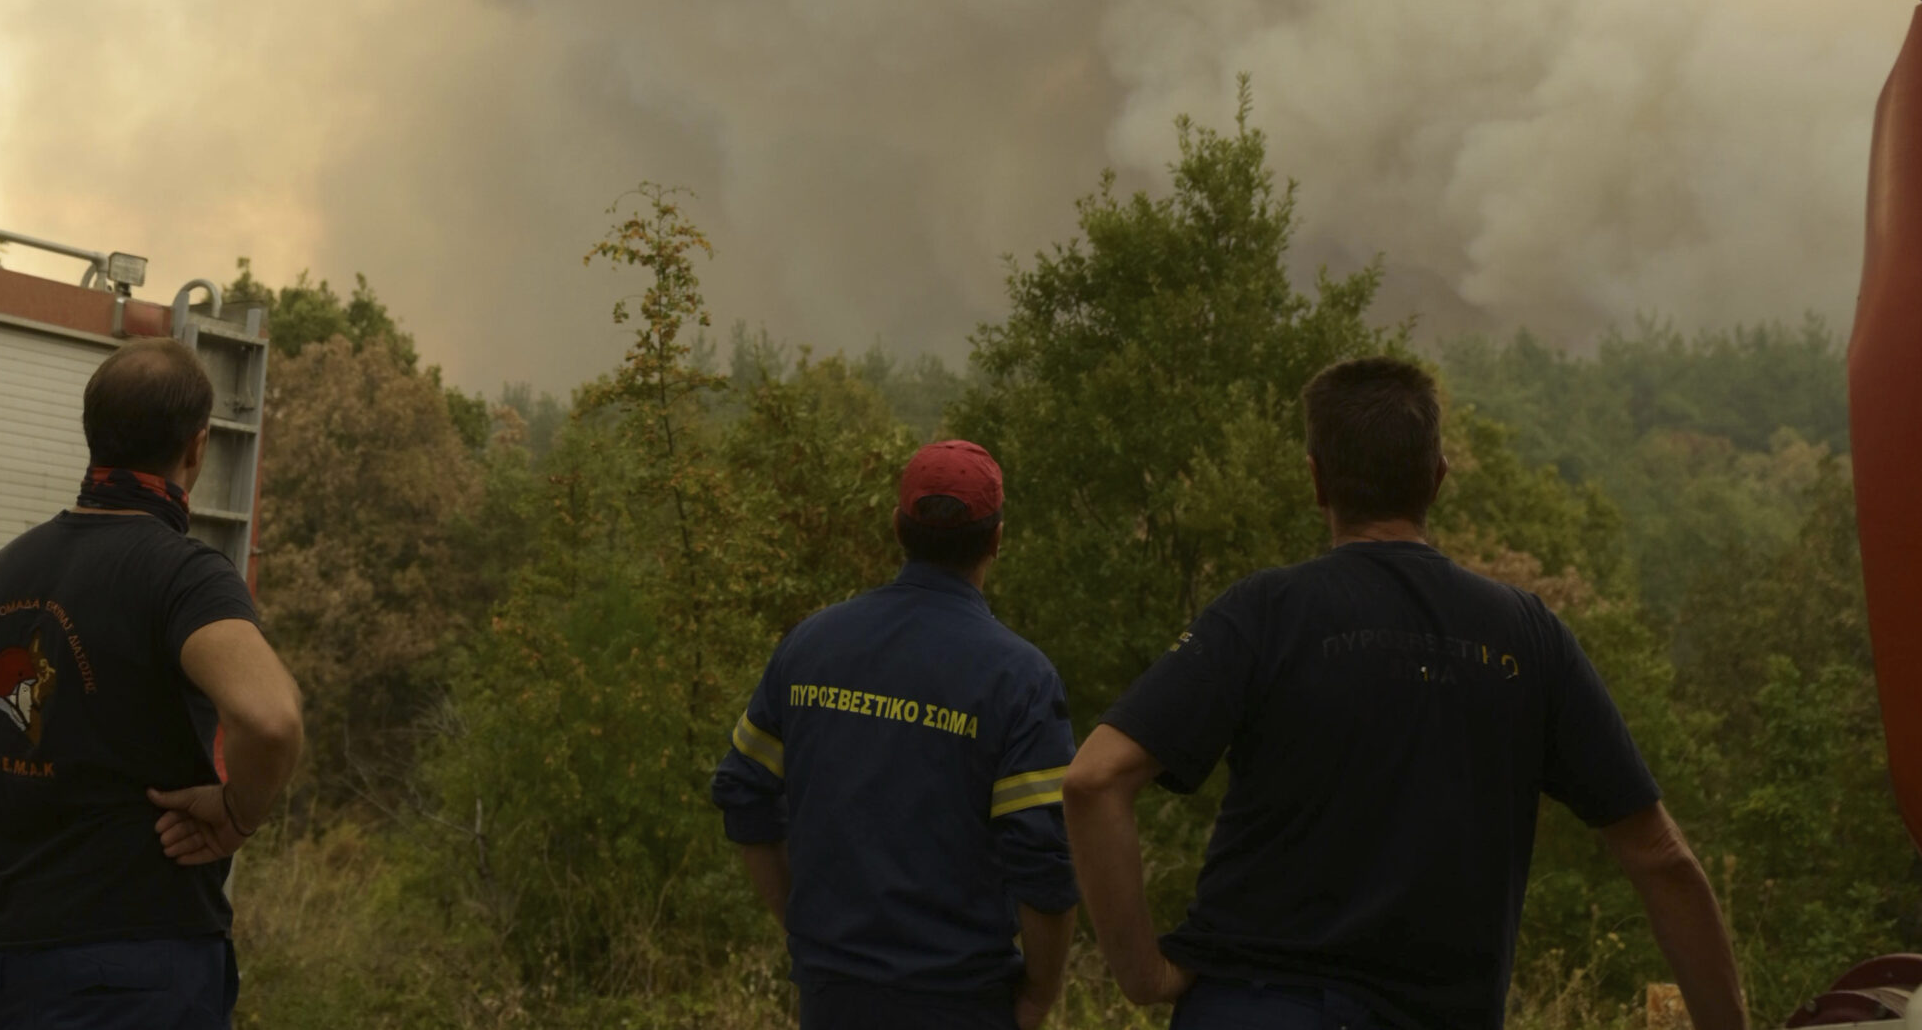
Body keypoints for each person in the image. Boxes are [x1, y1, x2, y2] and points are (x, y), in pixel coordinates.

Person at [1064, 356, 1746, 1030]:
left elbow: (1095, 779)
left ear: (1316, 479)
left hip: (1254, 1005)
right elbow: (1660, 857)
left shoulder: (1264, 612)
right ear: (1438, 478)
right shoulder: (1530, 637)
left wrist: (1142, 973)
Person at [0, 337, 306, 1030]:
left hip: (10, 965)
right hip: (142, 968)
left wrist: (10, 922)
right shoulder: (183, 576)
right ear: (196, 448)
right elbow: (273, 718)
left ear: (92, 434)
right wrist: (237, 813)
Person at [711, 440, 1079, 1030]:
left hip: (831, 999)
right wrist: (1038, 994)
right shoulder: (1020, 678)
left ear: (897, 527)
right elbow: (1046, 860)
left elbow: (743, 791)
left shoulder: (811, 644)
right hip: (963, 1000)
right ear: (997, 540)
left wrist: (806, 935)